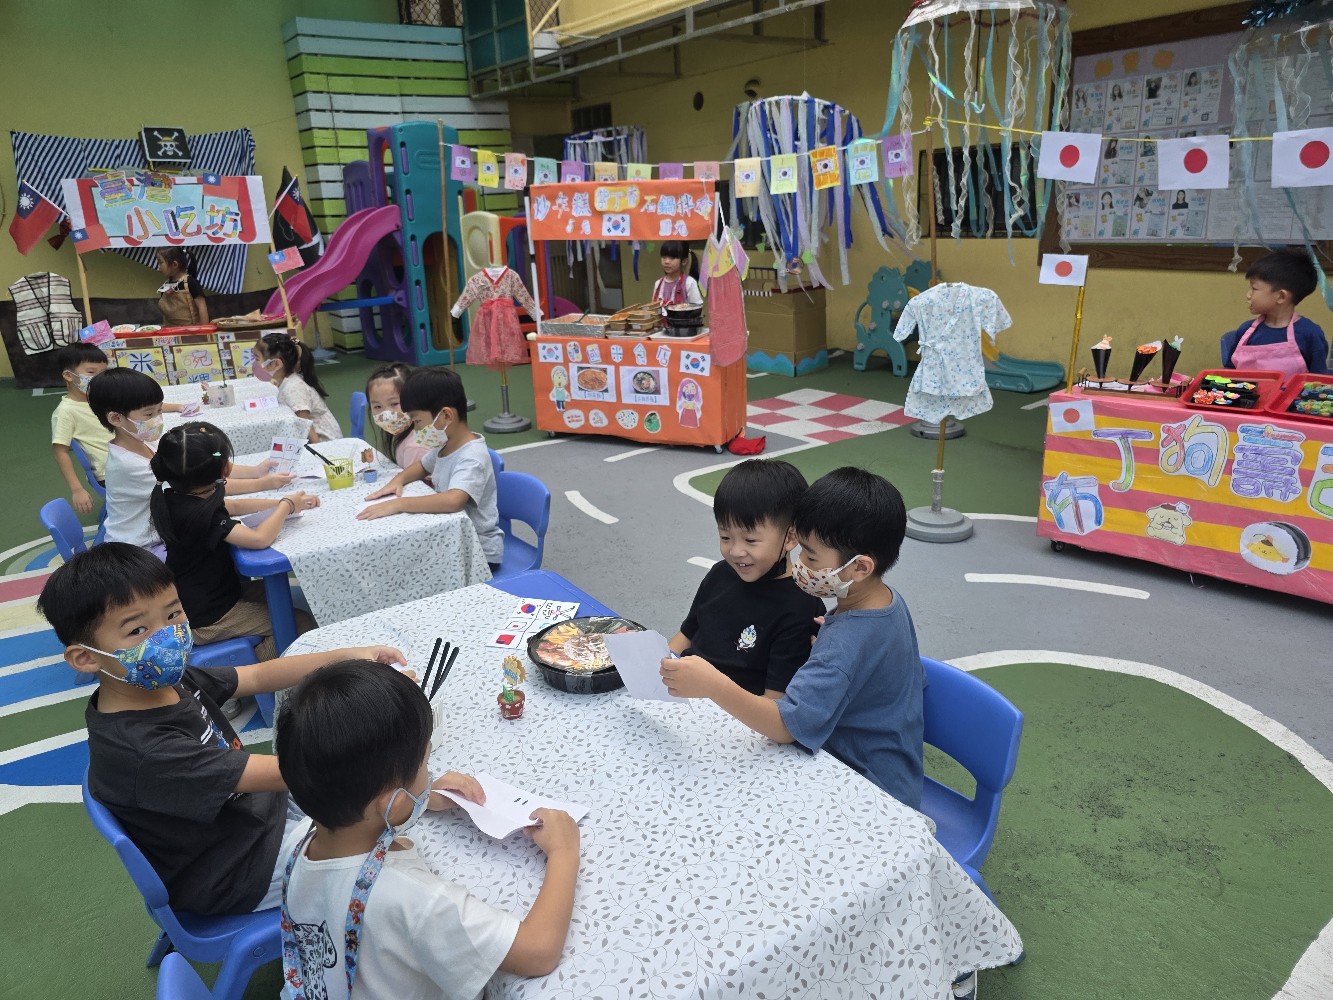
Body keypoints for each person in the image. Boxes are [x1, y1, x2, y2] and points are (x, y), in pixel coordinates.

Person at [36, 541, 407, 915]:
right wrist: (381, 753)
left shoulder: (167, 681)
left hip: (254, 815)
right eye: (138, 630)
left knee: (385, 810)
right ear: (85, 657)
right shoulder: (144, 751)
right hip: (237, 869)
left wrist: (347, 657)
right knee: (391, 852)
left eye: (173, 614)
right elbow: (295, 773)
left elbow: (257, 675)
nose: (167, 636)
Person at [276, 660, 582, 997]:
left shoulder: (299, 840)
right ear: (392, 803)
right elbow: (538, 951)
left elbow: (367, 818)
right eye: (425, 762)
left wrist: (422, 797)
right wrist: (563, 851)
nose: (429, 770)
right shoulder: (417, 901)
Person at [660, 466, 925, 809]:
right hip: (888, 767)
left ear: (860, 568)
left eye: (811, 556)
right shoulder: (885, 602)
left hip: (867, 789)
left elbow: (786, 727)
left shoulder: (842, 644)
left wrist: (714, 685)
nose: (800, 563)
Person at [149, 422, 317, 660]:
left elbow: (234, 506)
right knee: (298, 621)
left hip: (202, 597)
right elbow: (259, 539)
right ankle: (253, 673)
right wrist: (287, 506)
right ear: (224, 470)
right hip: (207, 616)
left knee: (281, 594)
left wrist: (280, 504)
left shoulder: (181, 497)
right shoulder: (198, 514)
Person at [666, 460, 824, 697]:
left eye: (750, 540)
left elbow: (775, 703)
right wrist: (659, 665)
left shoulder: (800, 607)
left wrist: (711, 688)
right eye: (725, 537)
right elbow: (685, 637)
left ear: (790, 537)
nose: (735, 551)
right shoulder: (719, 574)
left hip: (738, 713)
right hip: (685, 695)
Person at [90, 368, 291, 550]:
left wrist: (255, 472)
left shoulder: (145, 441)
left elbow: (206, 465)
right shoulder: (130, 466)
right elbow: (203, 482)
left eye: (160, 410)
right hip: (142, 548)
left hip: (157, 532)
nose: (158, 419)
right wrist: (268, 489)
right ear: (116, 418)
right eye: (149, 414)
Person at [358, 367, 504, 573]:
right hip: (451, 537)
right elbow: (421, 466)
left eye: (417, 421)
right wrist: (397, 481)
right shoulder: (445, 443)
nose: (416, 429)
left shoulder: (472, 457)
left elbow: (453, 501)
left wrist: (398, 504)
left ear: (446, 415)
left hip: (478, 551)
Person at [1220, 249, 1328, 376]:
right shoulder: (1245, 330)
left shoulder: (1310, 334)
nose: (1248, 295)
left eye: (1254, 288)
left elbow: (1318, 381)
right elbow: (1229, 373)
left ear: (1281, 296)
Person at [50, 343, 113, 514]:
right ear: (68, 375)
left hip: (123, 462)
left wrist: (177, 407)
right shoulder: (65, 412)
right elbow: (61, 452)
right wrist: (77, 490)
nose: (98, 379)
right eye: (91, 372)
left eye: (102, 373)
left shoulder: (100, 399)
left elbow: (139, 405)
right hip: (109, 474)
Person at [252, 333, 341, 442]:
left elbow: (306, 427)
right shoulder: (285, 381)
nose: (254, 364)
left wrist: (317, 451)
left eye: (257, 359)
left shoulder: (293, 388)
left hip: (325, 443)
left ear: (276, 364)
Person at [365, 362, 432, 474]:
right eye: (377, 406)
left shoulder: (415, 446)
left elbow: (415, 484)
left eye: (394, 404)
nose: (386, 415)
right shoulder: (407, 437)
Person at [156, 248, 209, 326]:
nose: (158, 268)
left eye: (160, 263)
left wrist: (204, 330)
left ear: (174, 265)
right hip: (169, 330)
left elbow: (202, 307)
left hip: (190, 331)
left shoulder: (191, 283)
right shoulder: (166, 286)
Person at [651, 240, 703, 311]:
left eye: (672, 258)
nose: (667, 262)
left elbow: (697, 306)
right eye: (664, 257)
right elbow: (653, 308)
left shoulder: (689, 283)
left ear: (684, 261)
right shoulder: (658, 284)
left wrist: (684, 307)